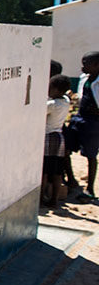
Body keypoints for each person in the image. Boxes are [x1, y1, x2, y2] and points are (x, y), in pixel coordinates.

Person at [65, 51, 99, 201]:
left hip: (94, 122)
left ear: (97, 65)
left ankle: (90, 188)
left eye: (86, 63)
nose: (82, 66)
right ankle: (71, 179)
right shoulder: (84, 78)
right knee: (65, 147)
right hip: (79, 117)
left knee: (90, 155)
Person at [43, 75, 71, 207]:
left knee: (44, 170)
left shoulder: (51, 105)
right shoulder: (66, 101)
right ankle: (54, 199)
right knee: (57, 170)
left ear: (57, 90)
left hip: (48, 136)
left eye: (50, 88)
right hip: (59, 136)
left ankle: (42, 197)